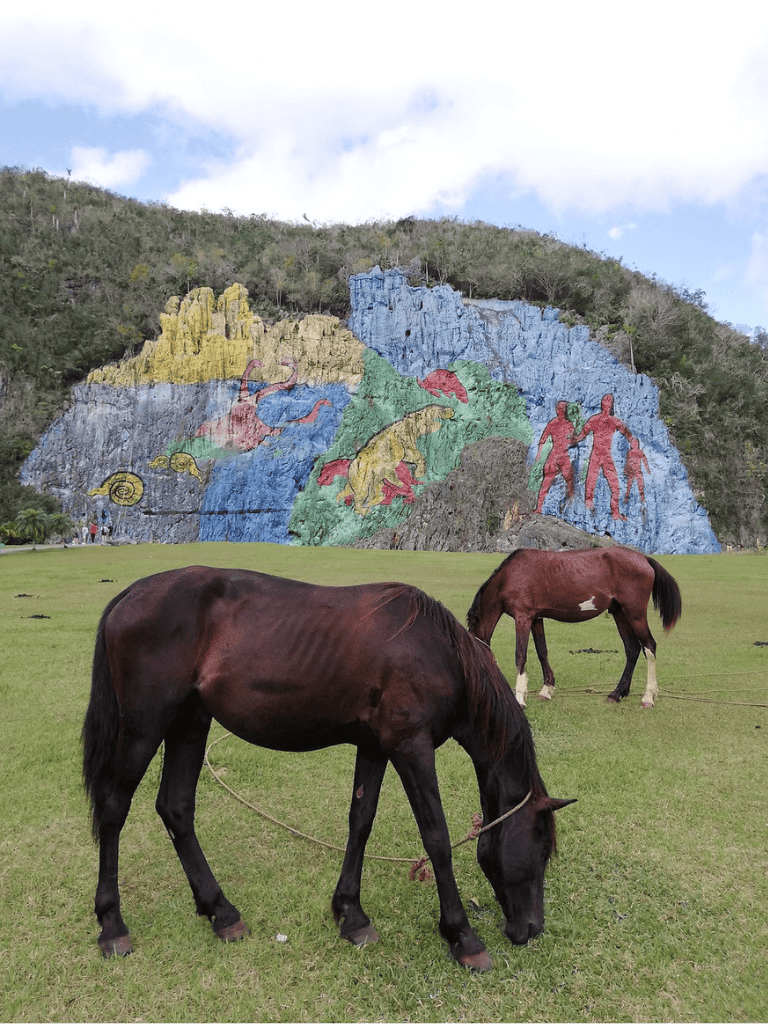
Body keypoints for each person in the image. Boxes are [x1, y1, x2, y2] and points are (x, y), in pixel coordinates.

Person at [570, 393, 633, 520]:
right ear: (602, 403)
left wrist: (633, 443)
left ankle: (615, 512)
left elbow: (627, 433)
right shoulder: (594, 419)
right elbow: (582, 435)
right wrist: (572, 440)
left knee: (614, 485)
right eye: (606, 399)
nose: (608, 402)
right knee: (591, 479)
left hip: (606, 455)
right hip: (596, 453)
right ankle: (588, 503)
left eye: (610, 400)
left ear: (612, 405)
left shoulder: (614, 421)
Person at [534, 401, 576, 513]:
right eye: (561, 408)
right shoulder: (567, 425)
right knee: (566, 480)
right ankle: (539, 507)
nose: (562, 411)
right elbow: (572, 440)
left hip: (557, 455)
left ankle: (540, 507)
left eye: (562, 408)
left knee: (566, 480)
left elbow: (542, 440)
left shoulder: (557, 423)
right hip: (561, 455)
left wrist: (539, 455)